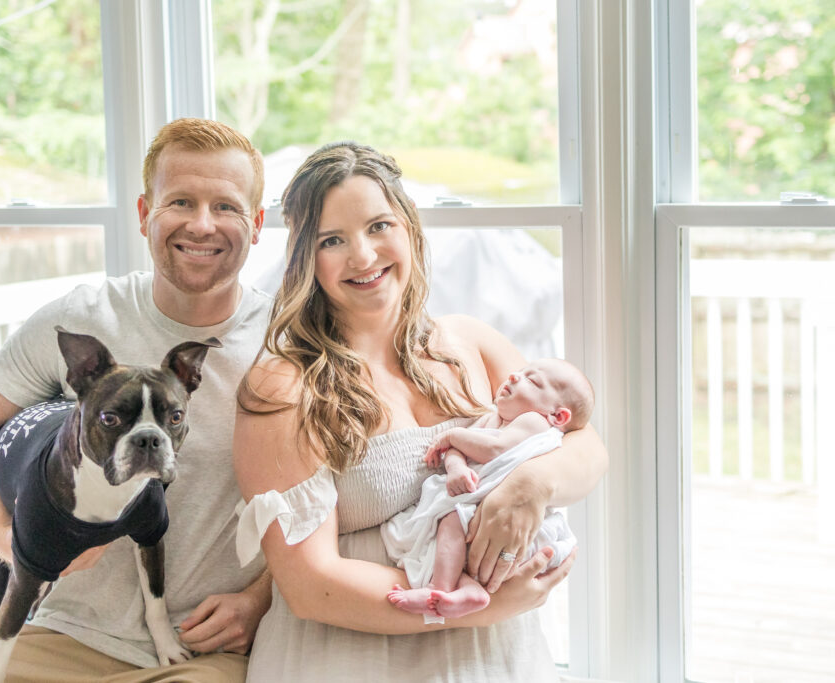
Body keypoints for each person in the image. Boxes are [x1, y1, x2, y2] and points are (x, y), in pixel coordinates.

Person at [232, 141, 608, 681]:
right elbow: (310, 586)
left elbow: (586, 444)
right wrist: (474, 609)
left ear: (409, 227)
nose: (363, 256)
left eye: (379, 226)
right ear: (303, 258)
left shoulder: (471, 343)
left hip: (497, 657)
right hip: (350, 654)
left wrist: (533, 485)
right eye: (332, 240)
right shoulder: (284, 385)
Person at [0, 118, 273, 683]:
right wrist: (13, 543)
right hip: (62, 632)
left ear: (255, 224)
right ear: (143, 214)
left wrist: (260, 599)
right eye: (180, 200)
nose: (202, 224)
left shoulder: (287, 341)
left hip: (200, 647)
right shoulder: (81, 320)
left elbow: (335, 494)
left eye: (226, 206)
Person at [383, 358, 594, 623]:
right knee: (441, 538)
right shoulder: (491, 419)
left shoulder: (535, 423)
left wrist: (452, 436)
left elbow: (496, 449)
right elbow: (459, 451)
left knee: (451, 523)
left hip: (497, 505)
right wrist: (456, 466)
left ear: (557, 415)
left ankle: (439, 589)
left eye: (533, 380)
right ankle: (470, 592)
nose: (515, 376)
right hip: (477, 499)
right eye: (519, 372)